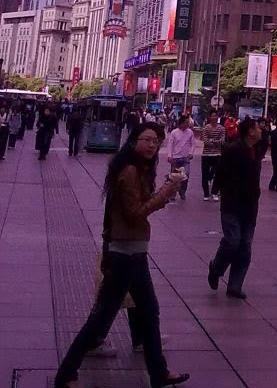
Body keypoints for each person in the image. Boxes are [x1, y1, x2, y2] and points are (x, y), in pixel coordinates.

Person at [53, 123, 187, 388]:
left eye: (156, 141)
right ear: (133, 141)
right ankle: (66, 374)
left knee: (148, 313)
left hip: (134, 253)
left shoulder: (137, 169)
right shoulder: (128, 171)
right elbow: (135, 213)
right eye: (147, 139)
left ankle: (158, 373)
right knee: (101, 318)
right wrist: (167, 192)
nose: (152, 145)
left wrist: (162, 190)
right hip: (125, 256)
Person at [207, 117, 263, 299]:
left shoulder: (256, 150)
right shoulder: (234, 150)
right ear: (250, 131)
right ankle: (216, 268)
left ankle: (235, 285)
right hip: (232, 203)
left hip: (250, 205)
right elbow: (221, 171)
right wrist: (216, 189)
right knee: (233, 240)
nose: (261, 130)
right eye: (258, 128)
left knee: (245, 246)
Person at [165, 114, 195, 200]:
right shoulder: (174, 132)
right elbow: (170, 144)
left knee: (186, 174)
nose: (187, 124)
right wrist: (170, 155)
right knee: (175, 176)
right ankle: (173, 193)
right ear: (181, 123)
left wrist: (191, 153)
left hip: (185, 158)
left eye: (188, 122)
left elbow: (193, 144)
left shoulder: (190, 132)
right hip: (176, 157)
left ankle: (182, 191)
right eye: (186, 122)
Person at [201, 110, 226, 201]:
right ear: (209, 117)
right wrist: (214, 142)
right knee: (204, 174)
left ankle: (215, 192)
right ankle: (206, 194)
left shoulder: (222, 129)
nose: (214, 117)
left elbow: (222, 141)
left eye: (216, 116)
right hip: (206, 154)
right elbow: (205, 140)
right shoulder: (206, 128)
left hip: (217, 154)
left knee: (217, 173)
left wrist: (212, 141)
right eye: (212, 116)